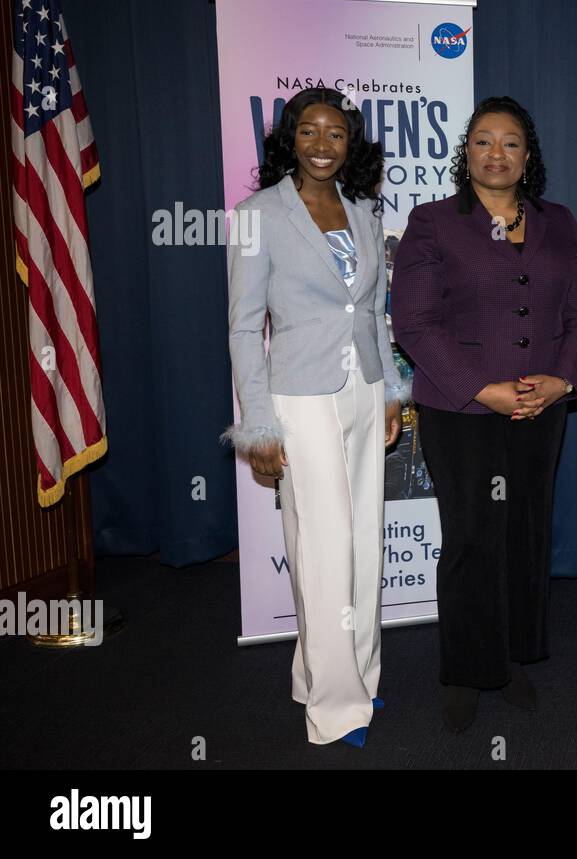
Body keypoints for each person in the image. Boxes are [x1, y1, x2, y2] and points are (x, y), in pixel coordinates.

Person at [391, 96, 577, 733]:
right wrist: (484, 388)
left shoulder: (558, 221)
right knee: (471, 537)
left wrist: (563, 379)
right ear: (466, 151)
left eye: (511, 142)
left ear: (527, 157)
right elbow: (414, 323)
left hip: (542, 409)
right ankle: (464, 670)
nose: (497, 153)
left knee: (525, 531)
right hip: (461, 411)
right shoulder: (432, 223)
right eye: (484, 140)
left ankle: (510, 657)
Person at [223, 87, 407, 748]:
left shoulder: (362, 211)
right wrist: (259, 426)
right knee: (323, 549)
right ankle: (334, 708)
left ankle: (350, 670)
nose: (323, 144)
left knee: (362, 538)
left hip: (362, 389)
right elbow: (245, 330)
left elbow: (373, 314)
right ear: (289, 139)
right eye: (309, 131)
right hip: (299, 396)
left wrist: (389, 393)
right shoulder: (258, 214)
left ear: (349, 142)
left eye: (336, 133)